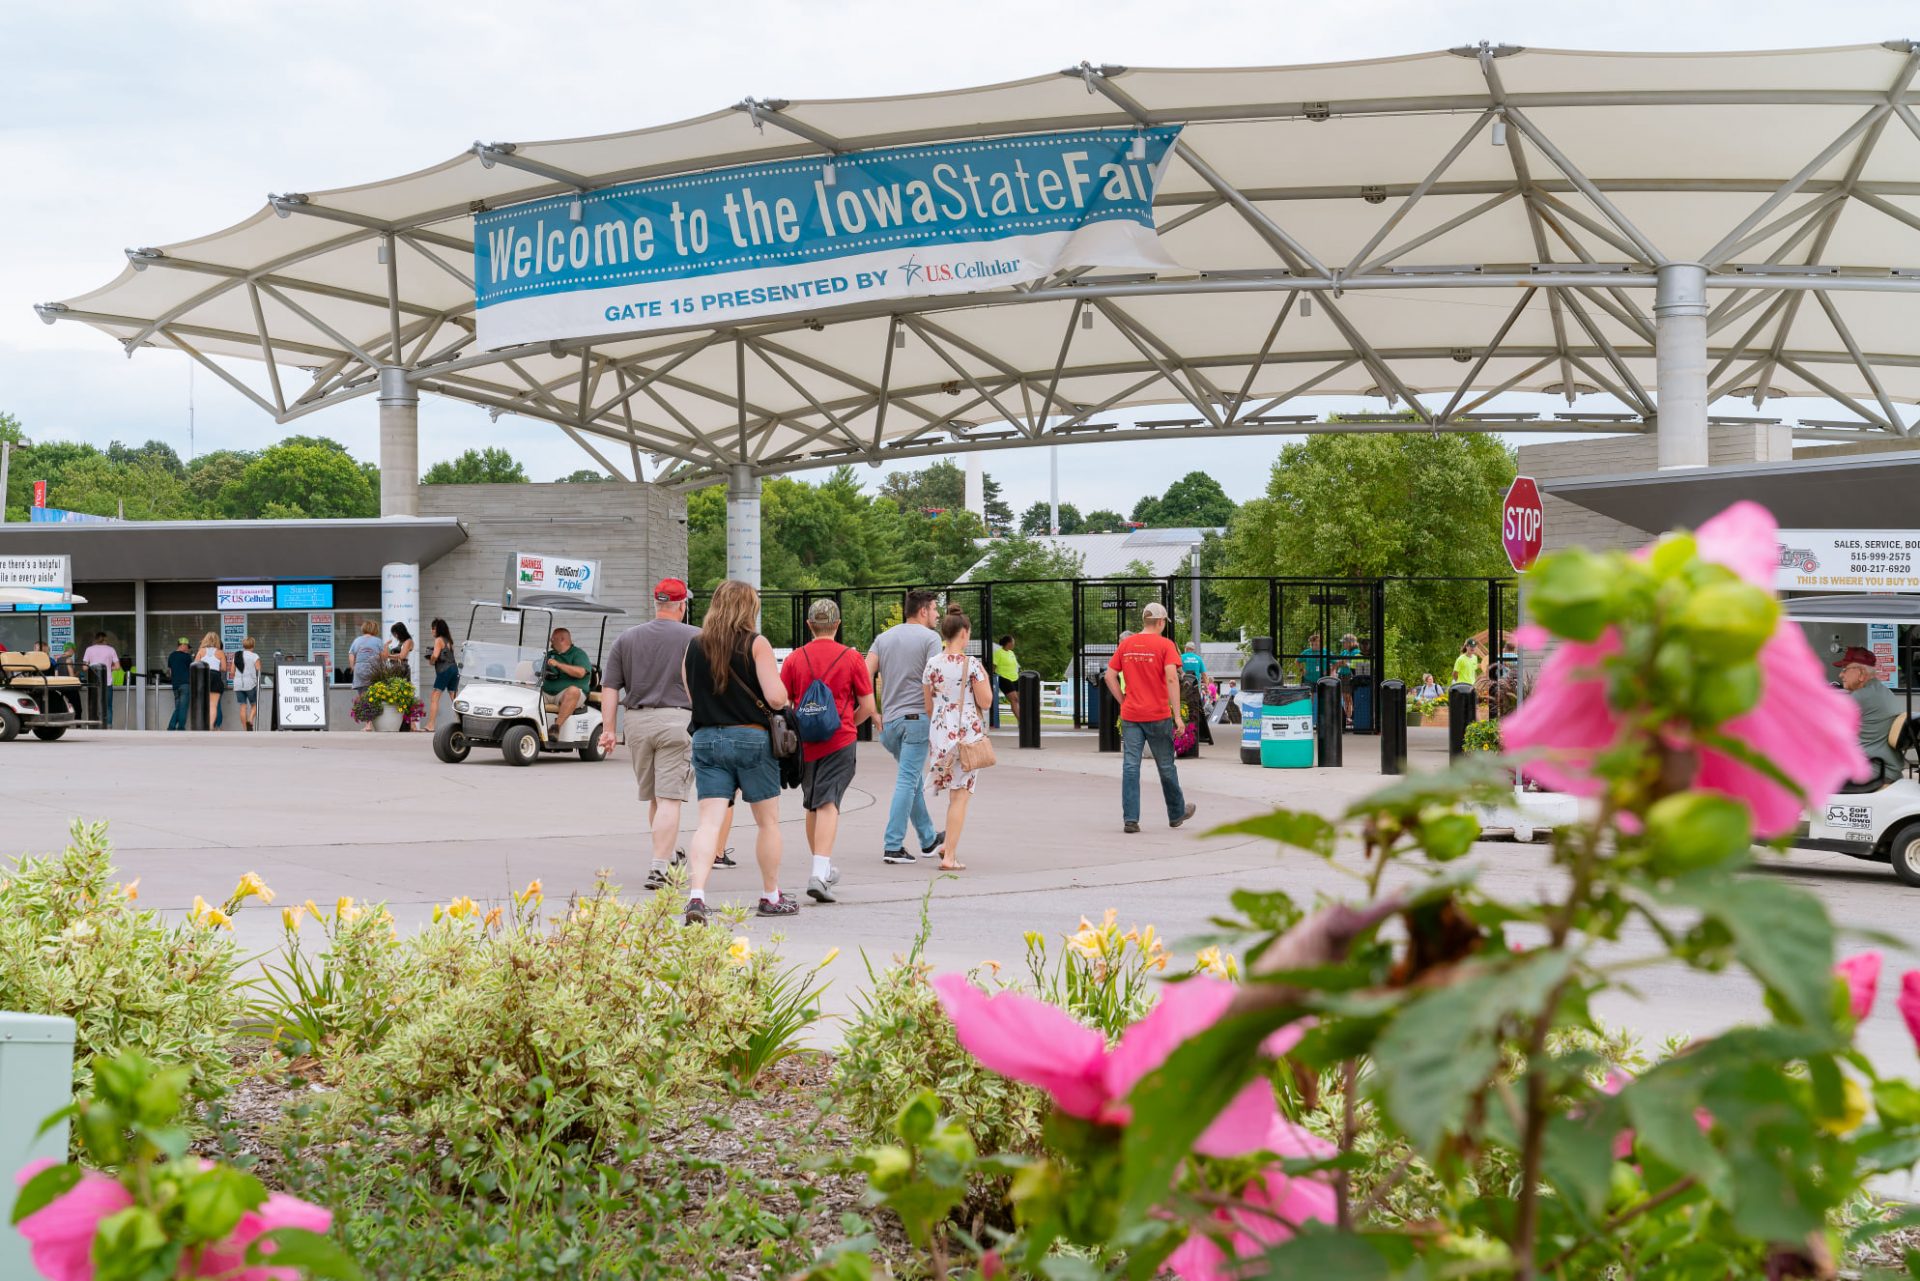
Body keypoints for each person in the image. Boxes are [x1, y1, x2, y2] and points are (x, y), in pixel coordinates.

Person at [683, 579, 792, 926]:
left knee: (708, 823)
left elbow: (691, 695)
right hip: (751, 738)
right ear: (749, 609)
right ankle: (771, 895)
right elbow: (776, 698)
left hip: (706, 738)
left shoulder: (694, 646)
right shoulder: (755, 644)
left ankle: (696, 896)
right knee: (768, 822)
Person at [599, 578, 702, 892]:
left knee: (657, 797)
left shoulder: (627, 638)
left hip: (638, 723)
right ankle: (659, 868)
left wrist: (608, 730)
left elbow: (610, 687)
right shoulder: (698, 637)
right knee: (671, 798)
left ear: (655, 603)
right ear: (682, 605)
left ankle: (668, 855)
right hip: (678, 721)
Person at [780, 598, 876, 903]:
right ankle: (820, 873)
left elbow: (782, 702)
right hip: (840, 740)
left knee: (812, 804)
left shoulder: (795, 658)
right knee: (829, 803)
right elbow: (869, 707)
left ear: (809, 624)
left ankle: (821, 866)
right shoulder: (851, 658)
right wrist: (847, 723)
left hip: (806, 743)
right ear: (837, 624)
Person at [1104, 601, 1196, 834]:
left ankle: (1131, 819)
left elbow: (1109, 676)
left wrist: (1123, 702)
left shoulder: (1127, 644)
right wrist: (1178, 716)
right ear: (1160, 622)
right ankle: (1176, 814)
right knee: (1165, 765)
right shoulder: (1166, 645)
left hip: (1131, 714)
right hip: (1157, 714)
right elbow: (1172, 679)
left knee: (1131, 765)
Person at [868, 589, 945, 867]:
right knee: (907, 781)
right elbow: (937, 680)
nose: (937, 614)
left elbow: (865, 674)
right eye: (935, 609)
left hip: (889, 724)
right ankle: (893, 845)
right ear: (923, 611)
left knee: (910, 780)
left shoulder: (884, 638)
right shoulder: (931, 639)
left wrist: (873, 711)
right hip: (916, 722)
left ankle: (928, 839)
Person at [922, 605, 991, 872]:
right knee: (960, 795)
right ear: (964, 633)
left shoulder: (932, 664)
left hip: (940, 735)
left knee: (953, 792)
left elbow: (928, 706)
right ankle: (950, 855)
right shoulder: (971, 665)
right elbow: (985, 700)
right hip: (966, 738)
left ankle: (946, 844)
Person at [1837, 647, 1907, 792]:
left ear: (1861, 673)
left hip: (1871, 771)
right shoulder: (1882, 690)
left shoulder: (1860, 697)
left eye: (1845, 669)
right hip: (1885, 768)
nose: (1840, 675)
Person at [541, 627, 593, 727]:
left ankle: (556, 728)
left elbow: (580, 672)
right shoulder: (550, 654)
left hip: (567, 694)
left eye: (552, 639)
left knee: (573, 691)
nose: (550, 641)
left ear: (562, 639)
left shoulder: (578, 654)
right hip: (546, 692)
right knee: (527, 693)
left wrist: (558, 665)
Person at [424, 618, 459, 733]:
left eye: (433, 628)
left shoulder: (438, 640)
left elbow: (435, 655)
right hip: (454, 669)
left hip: (444, 670)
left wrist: (431, 660)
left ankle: (431, 725)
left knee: (435, 697)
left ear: (438, 629)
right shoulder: (449, 641)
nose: (431, 630)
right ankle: (461, 722)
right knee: (454, 697)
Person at [349, 620, 384, 730]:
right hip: (373, 668)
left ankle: (367, 723)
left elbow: (351, 654)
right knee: (372, 695)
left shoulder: (357, 641)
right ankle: (370, 723)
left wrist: (353, 667)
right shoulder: (378, 641)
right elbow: (383, 656)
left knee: (363, 696)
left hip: (359, 668)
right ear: (375, 629)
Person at [82, 631, 120, 726]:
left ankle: (93, 725)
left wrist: (94, 667)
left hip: (93, 683)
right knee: (108, 707)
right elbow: (118, 667)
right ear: (105, 639)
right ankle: (109, 726)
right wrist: (108, 668)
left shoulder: (89, 649)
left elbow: (84, 667)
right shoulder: (111, 650)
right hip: (107, 682)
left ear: (95, 639)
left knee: (93, 706)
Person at [194, 632, 229, 731]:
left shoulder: (201, 651)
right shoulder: (220, 652)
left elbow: (195, 665)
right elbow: (223, 668)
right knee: (215, 705)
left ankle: (203, 726)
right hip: (215, 677)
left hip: (203, 677)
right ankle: (214, 726)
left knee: (203, 704)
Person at [232, 637, 262, 731]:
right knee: (254, 705)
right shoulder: (254, 656)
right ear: (253, 645)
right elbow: (259, 670)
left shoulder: (237, 655)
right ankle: (250, 720)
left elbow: (232, 671)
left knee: (242, 706)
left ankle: (245, 730)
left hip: (238, 684)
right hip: (250, 684)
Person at [992, 634, 1021, 726]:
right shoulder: (998, 652)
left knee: (1020, 699)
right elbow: (993, 666)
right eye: (1013, 642)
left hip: (1015, 678)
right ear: (1008, 643)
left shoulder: (1011, 653)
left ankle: (1021, 719)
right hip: (1004, 678)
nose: (1014, 644)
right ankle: (1021, 721)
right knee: (1014, 699)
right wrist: (992, 678)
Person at [166, 637, 193, 731]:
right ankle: (180, 728)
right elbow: (192, 670)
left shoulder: (171, 656)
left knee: (178, 706)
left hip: (175, 685)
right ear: (183, 645)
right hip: (185, 684)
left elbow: (170, 672)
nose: (188, 649)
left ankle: (171, 727)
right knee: (183, 707)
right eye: (187, 647)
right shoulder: (187, 657)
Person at [1336, 632, 1362, 727]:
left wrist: (1343, 662)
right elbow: (1339, 662)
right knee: (1344, 697)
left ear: (1351, 642)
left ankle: (1349, 717)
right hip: (1341, 675)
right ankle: (1347, 717)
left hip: (1349, 676)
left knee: (1349, 697)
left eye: (1345, 642)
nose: (1343, 644)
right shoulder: (1344, 652)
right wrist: (1343, 662)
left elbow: (1349, 663)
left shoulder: (1356, 652)